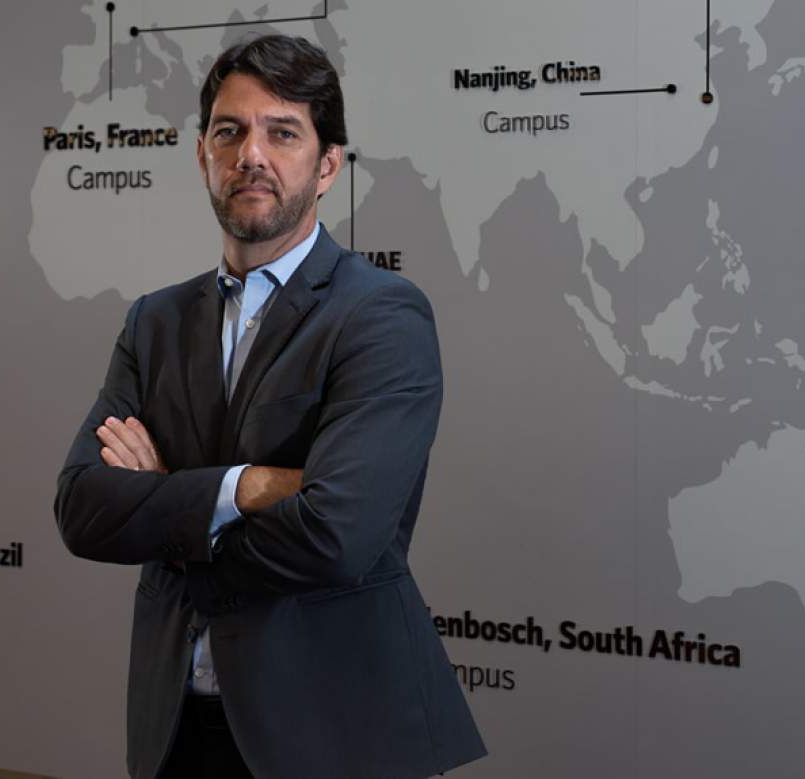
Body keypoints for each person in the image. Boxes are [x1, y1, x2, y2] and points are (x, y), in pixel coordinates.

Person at [54, 34, 486, 779]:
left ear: (328, 165)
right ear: (202, 156)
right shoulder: (154, 322)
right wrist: (249, 486)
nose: (250, 154)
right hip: (176, 730)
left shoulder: (380, 315)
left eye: (282, 133)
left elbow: (338, 532)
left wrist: (167, 505)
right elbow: (83, 507)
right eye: (230, 131)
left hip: (333, 731)